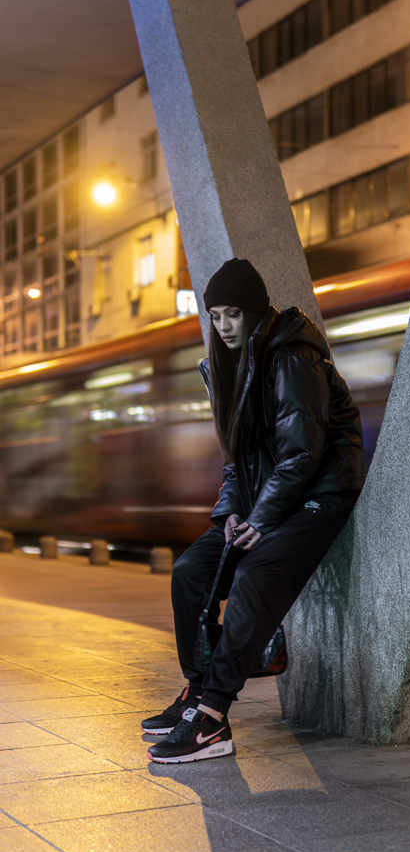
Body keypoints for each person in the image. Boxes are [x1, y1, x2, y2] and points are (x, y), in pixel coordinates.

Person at [143, 257, 364, 763]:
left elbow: (302, 454)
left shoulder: (291, 356)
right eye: (215, 316)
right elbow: (236, 462)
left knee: (253, 575)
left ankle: (213, 717)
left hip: (320, 492)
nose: (223, 326)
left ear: (255, 312)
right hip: (271, 495)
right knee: (190, 571)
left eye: (233, 315)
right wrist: (230, 513)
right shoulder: (226, 366)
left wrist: (260, 520)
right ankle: (197, 692)